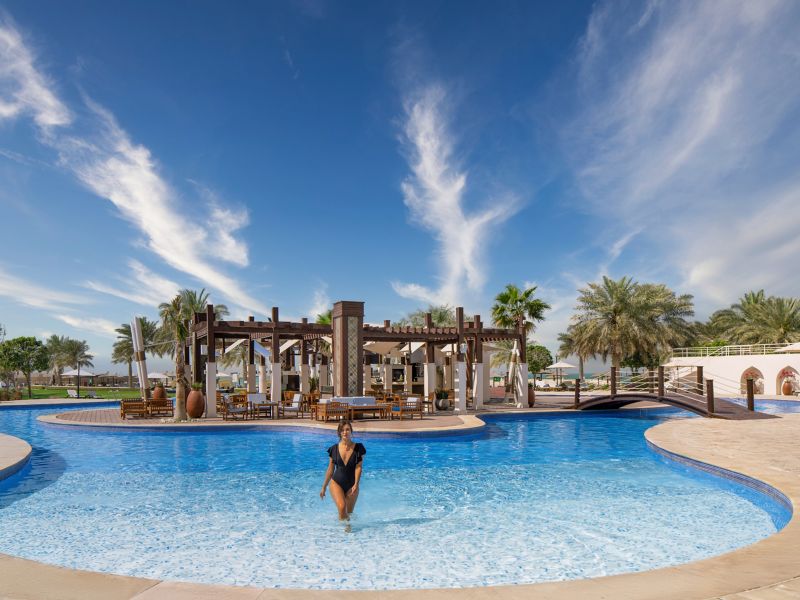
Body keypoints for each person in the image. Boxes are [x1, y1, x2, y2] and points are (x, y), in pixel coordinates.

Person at [320, 420, 365, 522]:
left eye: (347, 429)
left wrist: (356, 484)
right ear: (339, 432)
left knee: (348, 513)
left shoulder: (359, 448)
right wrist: (324, 487)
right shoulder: (334, 449)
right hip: (336, 483)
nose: (345, 432)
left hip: (352, 485)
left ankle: (347, 528)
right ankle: (341, 531)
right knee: (341, 507)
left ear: (351, 431)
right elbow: (330, 469)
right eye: (342, 430)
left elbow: (358, 467)